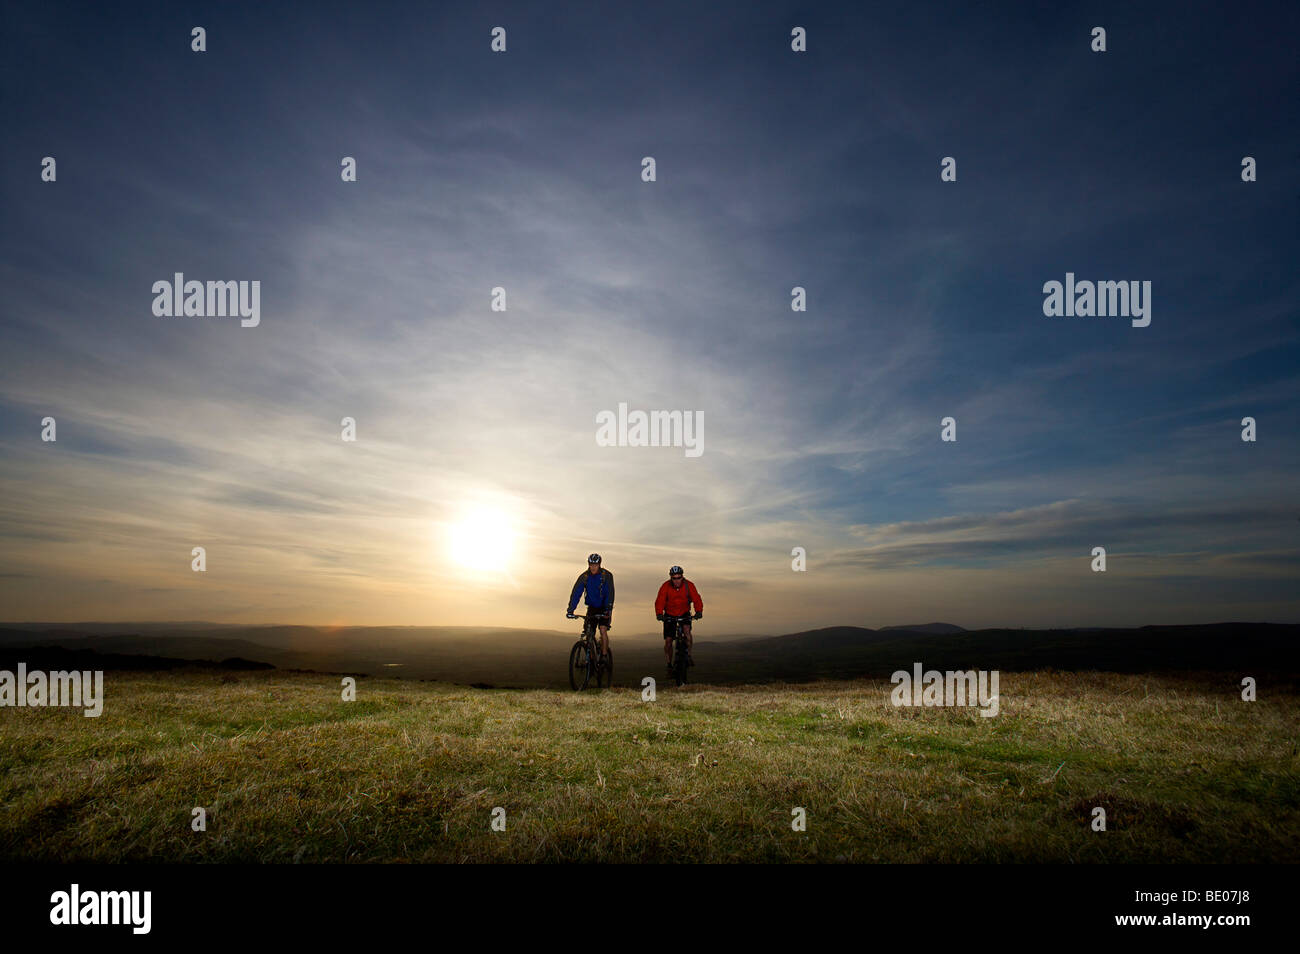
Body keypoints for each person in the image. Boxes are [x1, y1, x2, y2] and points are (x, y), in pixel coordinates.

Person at [655, 565, 703, 672]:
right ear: (671, 578)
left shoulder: (689, 585)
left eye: (679, 577)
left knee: (687, 634)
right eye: (674, 578)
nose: (677, 580)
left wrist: (699, 611)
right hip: (669, 614)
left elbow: (696, 598)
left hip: (684, 613)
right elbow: (660, 600)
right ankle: (669, 664)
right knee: (668, 641)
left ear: (682, 576)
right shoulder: (665, 586)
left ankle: (689, 655)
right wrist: (659, 613)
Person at [566, 553, 614, 659]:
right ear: (588, 564)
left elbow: (610, 593)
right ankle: (592, 661)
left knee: (602, 629)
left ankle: (604, 656)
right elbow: (576, 593)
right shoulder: (584, 577)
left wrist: (608, 609)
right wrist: (570, 610)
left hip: (604, 607)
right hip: (592, 608)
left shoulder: (606, 576)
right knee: (589, 634)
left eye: (595, 565)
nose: (593, 567)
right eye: (591, 564)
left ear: (599, 564)